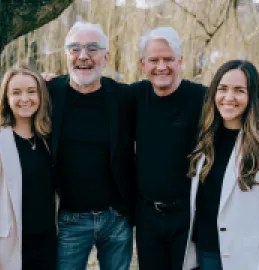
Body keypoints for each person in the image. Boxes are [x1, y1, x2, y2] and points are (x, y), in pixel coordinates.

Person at [47, 21, 135, 270]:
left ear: (106, 56)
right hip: (68, 220)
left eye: (92, 48)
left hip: (115, 219)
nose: (83, 56)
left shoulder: (125, 97)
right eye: (75, 49)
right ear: (66, 55)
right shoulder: (49, 93)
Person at [131, 27, 206, 270]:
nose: (161, 67)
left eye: (168, 59)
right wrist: (52, 84)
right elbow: (93, 92)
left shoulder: (202, 98)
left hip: (188, 215)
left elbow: (238, 114)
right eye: (154, 60)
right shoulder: (134, 96)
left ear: (180, 61)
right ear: (143, 64)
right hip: (148, 216)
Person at [184, 60, 259, 270]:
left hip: (245, 257)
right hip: (204, 252)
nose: (229, 98)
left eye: (239, 90)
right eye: (222, 89)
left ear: (252, 97)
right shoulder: (205, 138)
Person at [0, 65, 57, 270]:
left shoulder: (48, 139)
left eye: (32, 91)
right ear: (6, 98)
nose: (25, 99)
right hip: (11, 244)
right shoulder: (1, 140)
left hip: (48, 242)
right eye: (16, 92)